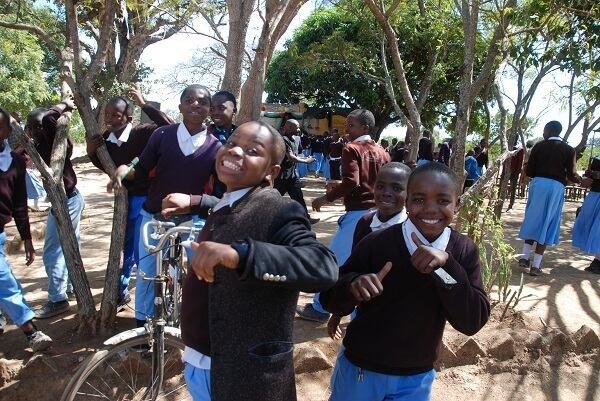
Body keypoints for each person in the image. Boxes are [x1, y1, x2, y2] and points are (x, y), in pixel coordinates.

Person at [183, 121, 338, 401]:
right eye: (231, 143)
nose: (235, 152)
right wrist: (197, 201)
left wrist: (241, 255)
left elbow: (322, 265)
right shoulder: (229, 198)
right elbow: (233, 209)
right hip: (201, 361)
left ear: (271, 172)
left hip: (243, 374)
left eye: (252, 150)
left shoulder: (280, 209)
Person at [321, 162, 490, 401]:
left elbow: (472, 321)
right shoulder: (377, 243)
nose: (430, 209)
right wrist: (353, 286)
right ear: (407, 202)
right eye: (419, 199)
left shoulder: (463, 251)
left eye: (443, 200)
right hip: (362, 368)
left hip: (416, 377)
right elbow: (330, 298)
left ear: (457, 203)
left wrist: (445, 267)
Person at [113, 84, 221, 328]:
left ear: (209, 109)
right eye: (189, 100)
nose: (196, 104)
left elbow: (221, 191)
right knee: (147, 273)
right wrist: (125, 170)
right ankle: (143, 328)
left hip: (192, 219)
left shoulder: (216, 148)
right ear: (180, 106)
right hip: (155, 216)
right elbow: (141, 169)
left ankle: (196, 325)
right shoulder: (162, 135)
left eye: (203, 102)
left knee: (201, 272)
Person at [299, 109, 390, 323]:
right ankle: (361, 313)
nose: (346, 130)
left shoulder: (352, 148)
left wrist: (326, 198)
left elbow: (352, 182)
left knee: (334, 261)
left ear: (365, 127)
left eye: (351, 125)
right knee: (368, 262)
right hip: (380, 215)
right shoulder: (383, 152)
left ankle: (320, 308)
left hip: (358, 215)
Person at [87, 86, 173, 308]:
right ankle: (121, 290)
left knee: (141, 246)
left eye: (115, 115)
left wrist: (145, 105)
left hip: (147, 198)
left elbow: (169, 126)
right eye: (106, 114)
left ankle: (149, 294)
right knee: (126, 246)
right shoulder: (105, 139)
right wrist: (90, 151)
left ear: (128, 118)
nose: (109, 119)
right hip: (126, 200)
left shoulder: (143, 132)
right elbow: (106, 165)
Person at [327, 162, 411, 340]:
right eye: (380, 186)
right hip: (363, 307)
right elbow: (353, 268)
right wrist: (338, 312)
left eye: (396, 188)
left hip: (398, 316)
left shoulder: (411, 230)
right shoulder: (365, 223)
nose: (386, 192)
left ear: (409, 193)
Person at [26, 95, 85, 319]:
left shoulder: (52, 137)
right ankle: (68, 288)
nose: (35, 130)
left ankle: (57, 299)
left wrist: (63, 105)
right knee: (68, 246)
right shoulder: (40, 144)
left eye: (38, 126)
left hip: (67, 200)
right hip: (66, 200)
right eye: (32, 127)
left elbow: (49, 118)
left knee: (53, 251)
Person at [0, 107, 53, 351]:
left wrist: (27, 240)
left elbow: (20, 204)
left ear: (7, 130)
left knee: (4, 280)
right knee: (5, 281)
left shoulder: (14, 163)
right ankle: (31, 331)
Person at [518, 121, 581, 276]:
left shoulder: (538, 146)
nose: (543, 133)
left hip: (538, 184)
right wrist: (580, 180)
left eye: (544, 130)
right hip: (556, 188)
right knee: (547, 222)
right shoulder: (569, 149)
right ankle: (536, 266)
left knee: (532, 218)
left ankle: (524, 257)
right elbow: (572, 174)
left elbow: (530, 171)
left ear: (550, 131)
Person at [273, 119, 319, 224]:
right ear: (289, 127)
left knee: (298, 197)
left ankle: (306, 218)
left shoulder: (295, 139)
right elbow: (291, 157)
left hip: (292, 175)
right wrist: (306, 161)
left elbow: (296, 155)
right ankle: (262, 216)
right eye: (296, 127)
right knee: (273, 198)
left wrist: (306, 157)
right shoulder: (283, 140)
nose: (298, 129)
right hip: (282, 177)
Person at [572, 155, 600, 274]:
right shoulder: (597, 159)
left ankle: (598, 261)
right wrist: (589, 175)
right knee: (589, 224)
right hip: (595, 194)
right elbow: (589, 179)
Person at [504, 142, 525, 211]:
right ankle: (500, 202)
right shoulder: (507, 147)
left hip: (514, 172)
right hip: (507, 171)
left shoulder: (520, 150)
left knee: (513, 188)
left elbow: (520, 162)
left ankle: (511, 205)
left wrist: (517, 172)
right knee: (503, 187)